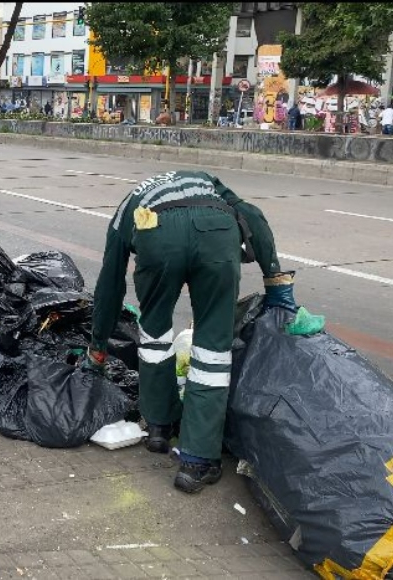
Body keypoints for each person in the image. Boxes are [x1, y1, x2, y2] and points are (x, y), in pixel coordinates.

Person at [86, 170, 298, 494]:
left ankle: (158, 426)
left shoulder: (129, 205)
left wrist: (97, 346)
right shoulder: (206, 182)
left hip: (156, 237)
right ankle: (196, 462)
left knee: (155, 335)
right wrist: (275, 283)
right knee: (212, 350)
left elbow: (110, 283)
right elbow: (253, 216)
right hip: (217, 236)